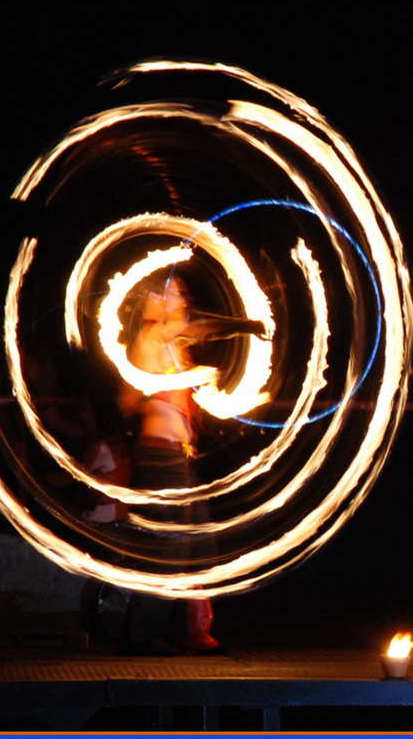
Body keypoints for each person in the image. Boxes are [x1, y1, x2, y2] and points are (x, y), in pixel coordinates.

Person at [116, 269, 266, 654]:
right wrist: (244, 324)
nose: (181, 296)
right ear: (154, 302)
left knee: (201, 545)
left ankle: (196, 632)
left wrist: (243, 328)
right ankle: (141, 635)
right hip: (159, 460)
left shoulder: (173, 346)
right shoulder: (153, 336)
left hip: (180, 461)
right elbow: (201, 328)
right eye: (171, 291)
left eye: (182, 290)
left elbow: (197, 331)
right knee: (169, 549)